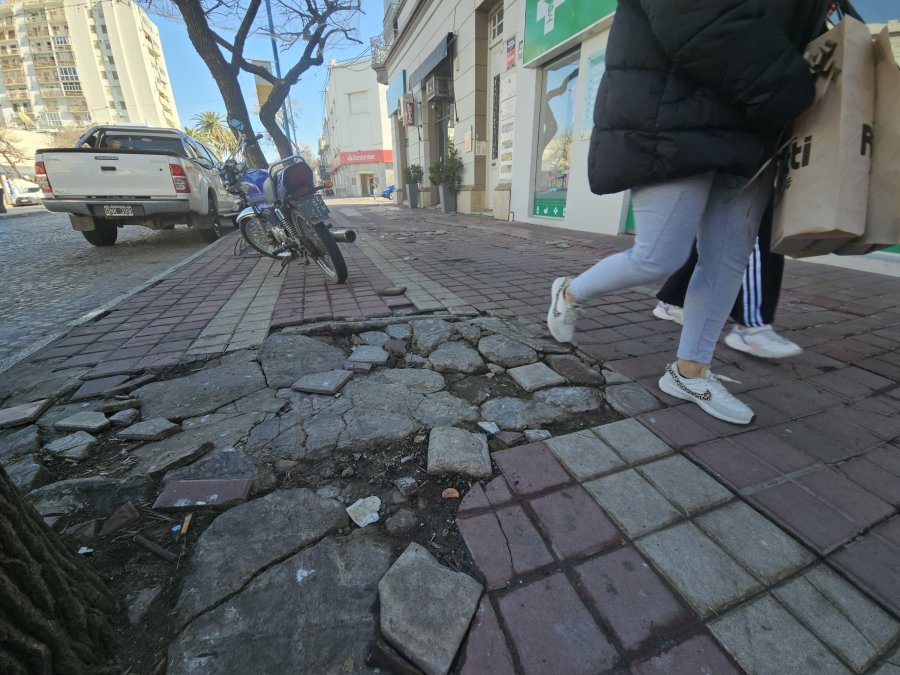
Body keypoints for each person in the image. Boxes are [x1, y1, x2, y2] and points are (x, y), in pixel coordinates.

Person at [547, 0, 847, 425]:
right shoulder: (777, 86)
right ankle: (570, 292)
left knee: (726, 262)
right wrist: (792, 89)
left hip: (757, 128)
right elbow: (695, 18)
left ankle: (690, 372)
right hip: (675, 116)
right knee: (658, 256)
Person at [653, 205, 803, 359]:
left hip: (730, 182)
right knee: (756, 232)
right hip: (747, 183)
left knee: (712, 236)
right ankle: (751, 327)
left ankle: (672, 300)